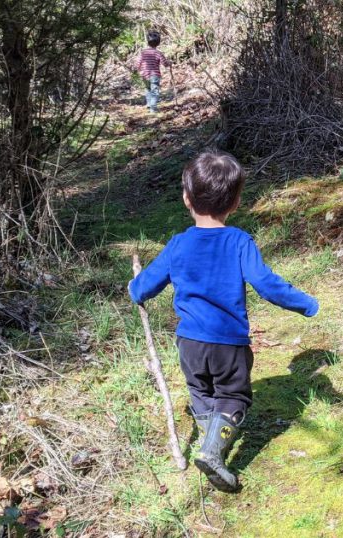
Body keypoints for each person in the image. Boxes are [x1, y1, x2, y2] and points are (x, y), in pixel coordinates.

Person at [128, 150, 319, 491]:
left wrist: (135, 287)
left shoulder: (177, 244)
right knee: (234, 397)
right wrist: (305, 303)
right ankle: (213, 451)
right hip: (228, 343)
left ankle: (208, 442)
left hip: (189, 343)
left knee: (200, 389)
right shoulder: (239, 241)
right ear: (235, 202)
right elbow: (267, 285)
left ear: (186, 198)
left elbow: (144, 287)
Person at [135, 31, 170, 114]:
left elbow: (137, 63)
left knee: (148, 89)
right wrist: (169, 63)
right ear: (158, 43)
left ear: (148, 42)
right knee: (155, 91)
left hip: (144, 75)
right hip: (154, 75)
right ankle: (153, 108)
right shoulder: (158, 53)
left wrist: (135, 69)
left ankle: (149, 104)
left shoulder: (143, 52)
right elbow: (165, 63)